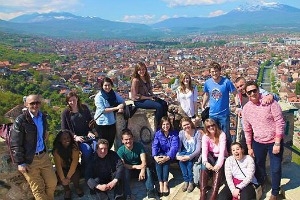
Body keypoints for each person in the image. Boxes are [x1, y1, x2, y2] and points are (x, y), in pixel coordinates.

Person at [242, 81, 285, 200]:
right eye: (249, 92)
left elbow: (279, 122)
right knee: (259, 165)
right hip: (258, 142)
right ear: (246, 94)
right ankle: (262, 183)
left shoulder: (270, 102)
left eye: (254, 90)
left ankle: (275, 192)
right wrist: (249, 147)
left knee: (275, 168)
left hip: (274, 142)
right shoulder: (246, 109)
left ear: (258, 90)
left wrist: (277, 142)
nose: (252, 93)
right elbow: (247, 129)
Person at [9, 94, 57, 200]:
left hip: (43, 155)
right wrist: (21, 163)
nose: (35, 105)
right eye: (32, 103)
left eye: (37, 102)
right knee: (38, 189)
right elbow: (15, 143)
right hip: (30, 159)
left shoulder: (42, 117)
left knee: (52, 183)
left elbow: (43, 134)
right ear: (26, 104)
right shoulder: (21, 121)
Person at [234, 77, 278, 152]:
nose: (240, 88)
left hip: (260, 127)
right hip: (248, 126)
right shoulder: (239, 95)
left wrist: (271, 96)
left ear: (246, 83)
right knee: (245, 146)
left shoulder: (256, 91)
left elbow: (276, 97)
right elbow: (241, 106)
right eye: (238, 87)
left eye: (241, 85)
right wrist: (239, 110)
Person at [201, 61, 237, 151]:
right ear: (210, 72)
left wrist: (237, 105)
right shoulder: (207, 83)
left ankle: (227, 153)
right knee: (213, 135)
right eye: (212, 71)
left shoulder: (226, 82)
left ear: (220, 71)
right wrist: (203, 104)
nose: (214, 73)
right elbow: (206, 94)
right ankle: (216, 153)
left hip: (224, 114)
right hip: (212, 114)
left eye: (216, 71)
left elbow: (235, 93)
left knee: (226, 135)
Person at [117, 128, 156, 199]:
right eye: (126, 139)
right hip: (129, 169)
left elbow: (144, 160)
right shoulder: (120, 150)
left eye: (130, 139)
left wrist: (142, 170)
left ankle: (151, 191)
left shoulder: (139, 146)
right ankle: (128, 195)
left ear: (133, 138)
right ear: (122, 140)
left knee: (148, 170)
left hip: (140, 168)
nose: (128, 141)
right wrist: (135, 166)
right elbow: (123, 165)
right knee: (124, 172)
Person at [130, 61, 168, 126]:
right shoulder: (136, 80)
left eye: (143, 69)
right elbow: (135, 96)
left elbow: (149, 89)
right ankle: (159, 125)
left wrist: (153, 96)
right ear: (137, 71)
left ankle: (165, 122)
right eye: (139, 70)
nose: (142, 71)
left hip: (147, 98)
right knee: (158, 106)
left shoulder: (146, 77)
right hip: (139, 101)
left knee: (164, 103)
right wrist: (149, 97)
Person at [200, 118, 228, 200]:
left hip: (222, 157)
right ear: (206, 128)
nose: (211, 127)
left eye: (212, 125)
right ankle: (202, 194)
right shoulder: (205, 136)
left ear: (216, 125)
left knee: (217, 170)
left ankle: (213, 195)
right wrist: (205, 162)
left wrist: (218, 165)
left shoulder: (222, 134)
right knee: (203, 167)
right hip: (211, 156)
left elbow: (222, 152)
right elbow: (204, 151)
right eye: (208, 126)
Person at [94, 77, 125, 149]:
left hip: (111, 122)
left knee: (110, 143)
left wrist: (121, 107)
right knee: (102, 144)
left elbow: (122, 101)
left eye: (109, 85)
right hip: (101, 123)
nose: (107, 87)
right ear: (102, 86)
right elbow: (103, 110)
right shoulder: (99, 96)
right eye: (105, 85)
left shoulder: (113, 94)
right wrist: (116, 108)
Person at [152, 116, 179, 197]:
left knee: (165, 161)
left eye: (167, 124)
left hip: (170, 154)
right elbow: (155, 145)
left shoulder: (174, 134)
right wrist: (155, 156)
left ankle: (165, 183)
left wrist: (168, 157)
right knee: (159, 161)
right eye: (163, 124)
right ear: (161, 125)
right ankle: (161, 183)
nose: (165, 126)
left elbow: (174, 147)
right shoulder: (158, 133)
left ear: (170, 125)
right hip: (161, 153)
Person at [53, 130, 84, 199]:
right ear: (60, 140)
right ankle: (67, 190)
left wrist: (68, 178)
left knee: (75, 174)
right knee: (60, 176)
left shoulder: (74, 147)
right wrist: (63, 179)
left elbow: (74, 163)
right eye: (64, 138)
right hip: (63, 168)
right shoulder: (56, 150)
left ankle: (77, 187)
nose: (67, 140)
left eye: (68, 138)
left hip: (73, 167)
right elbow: (58, 166)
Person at [176, 117, 202, 193]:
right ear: (182, 126)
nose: (186, 126)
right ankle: (186, 180)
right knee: (181, 162)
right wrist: (178, 155)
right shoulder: (181, 133)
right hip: (185, 152)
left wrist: (189, 157)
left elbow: (198, 149)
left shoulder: (197, 133)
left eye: (187, 124)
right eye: (184, 125)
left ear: (190, 123)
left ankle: (191, 182)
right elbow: (179, 146)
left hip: (193, 154)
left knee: (189, 164)